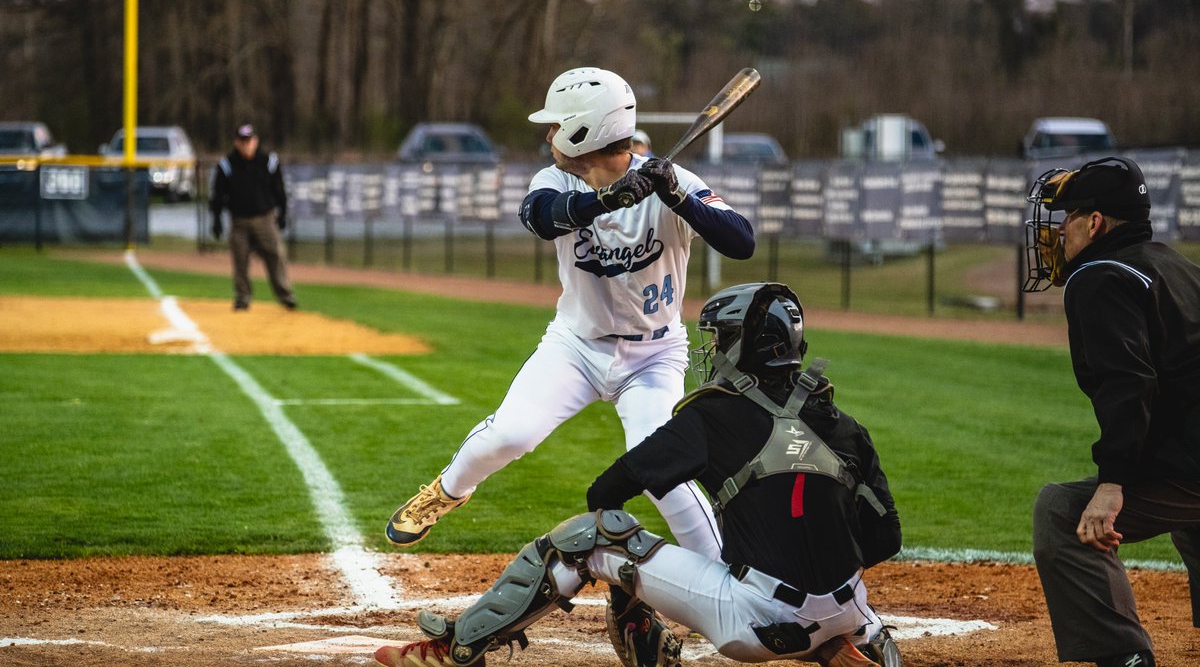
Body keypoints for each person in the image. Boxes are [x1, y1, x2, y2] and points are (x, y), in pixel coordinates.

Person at [375, 282, 903, 667]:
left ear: (745, 344)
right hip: (850, 611)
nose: (712, 350)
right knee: (816, 578)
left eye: (720, 339)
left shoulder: (712, 413)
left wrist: (629, 597)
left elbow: (605, 493)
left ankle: (459, 648)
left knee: (582, 539)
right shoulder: (847, 426)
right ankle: (842, 642)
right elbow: (885, 539)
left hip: (755, 623)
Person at [384, 67, 755, 562]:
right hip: (576, 345)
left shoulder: (673, 180)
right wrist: (605, 199)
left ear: (587, 130)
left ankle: (732, 576)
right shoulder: (554, 178)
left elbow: (741, 241)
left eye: (558, 125)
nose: (549, 134)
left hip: (654, 356)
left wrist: (677, 196)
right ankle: (447, 491)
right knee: (511, 434)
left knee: (660, 472)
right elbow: (540, 215)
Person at [1023, 156, 1200, 667]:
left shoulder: (1100, 274)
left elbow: (1128, 381)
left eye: (1068, 219)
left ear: (1095, 223)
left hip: (1192, 463)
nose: (1058, 234)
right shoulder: (1176, 266)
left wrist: (1114, 481)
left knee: (1061, 512)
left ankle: (1122, 657)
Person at [209, 123, 297, 311]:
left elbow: (279, 190)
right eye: (242, 141)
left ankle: (285, 295)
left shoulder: (268, 161)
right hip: (239, 220)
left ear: (255, 141)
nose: (246, 145)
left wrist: (282, 213)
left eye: (249, 141)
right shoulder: (227, 164)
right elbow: (217, 194)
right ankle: (242, 297)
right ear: (236, 143)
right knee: (240, 259)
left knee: (276, 255)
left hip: (264, 218)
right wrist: (216, 219)